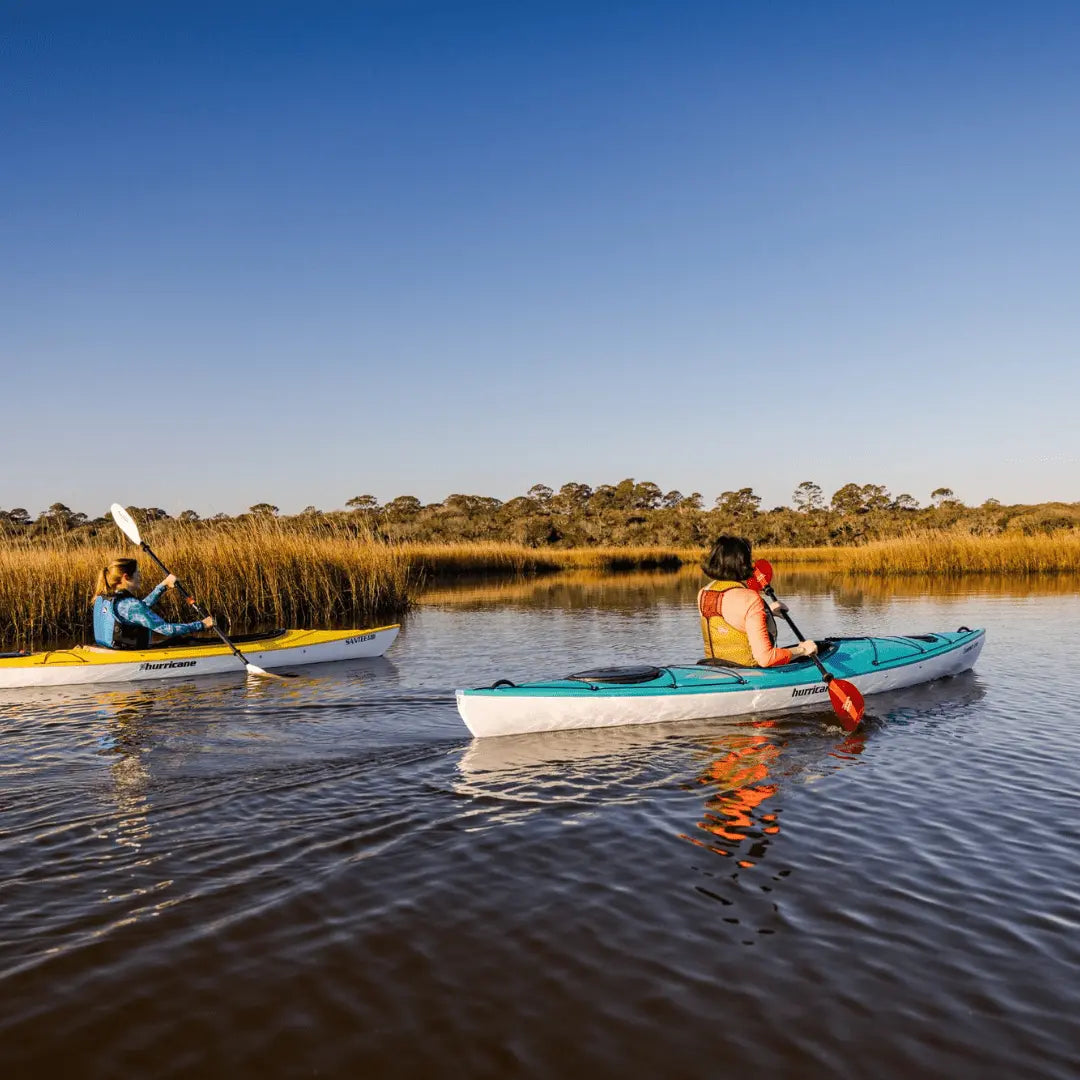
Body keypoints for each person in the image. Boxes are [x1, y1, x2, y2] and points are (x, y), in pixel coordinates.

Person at [698, 536, 818, 667]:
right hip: (748, 673)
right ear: (742, 562)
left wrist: (768, 613)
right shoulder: (750, 599)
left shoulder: (705, 592)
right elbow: (765, 659)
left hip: (715, 669)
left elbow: (728, 623)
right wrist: (802, 650)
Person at [92, 558, 213, 649]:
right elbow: (168, 630)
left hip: (108, 649)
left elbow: (139, 609)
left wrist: (163, 586)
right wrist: (202, 625)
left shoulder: (106, 598)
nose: (140, 576)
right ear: (126, 577)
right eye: (137, 573)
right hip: (130, 654)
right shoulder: (130, 605)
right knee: (182, 640)